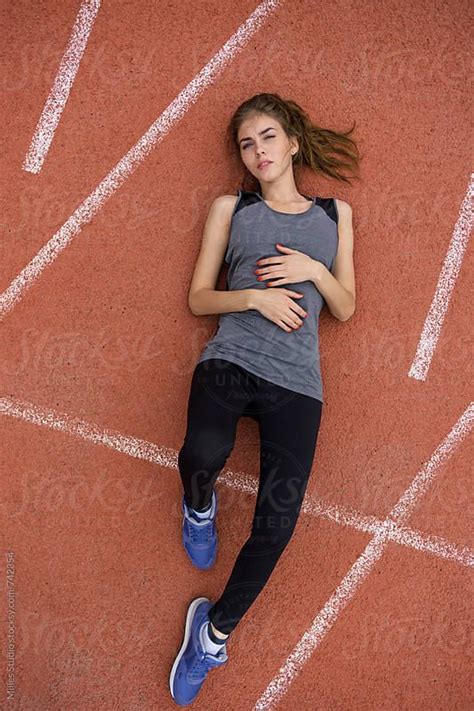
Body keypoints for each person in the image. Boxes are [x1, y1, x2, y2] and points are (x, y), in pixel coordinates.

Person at [169, 92, 359, 706]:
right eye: (248, 144)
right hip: (233, 357)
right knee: (203, 451)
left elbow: (346, 307)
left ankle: (213, 634)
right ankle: (199, 507)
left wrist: (312, 267)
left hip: (297, 381)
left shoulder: (336, 216)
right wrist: (252, 298)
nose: (259, 152)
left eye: (268, 137)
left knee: (278, 523)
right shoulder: (232, 207)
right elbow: (200, 297)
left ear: (293, 142)